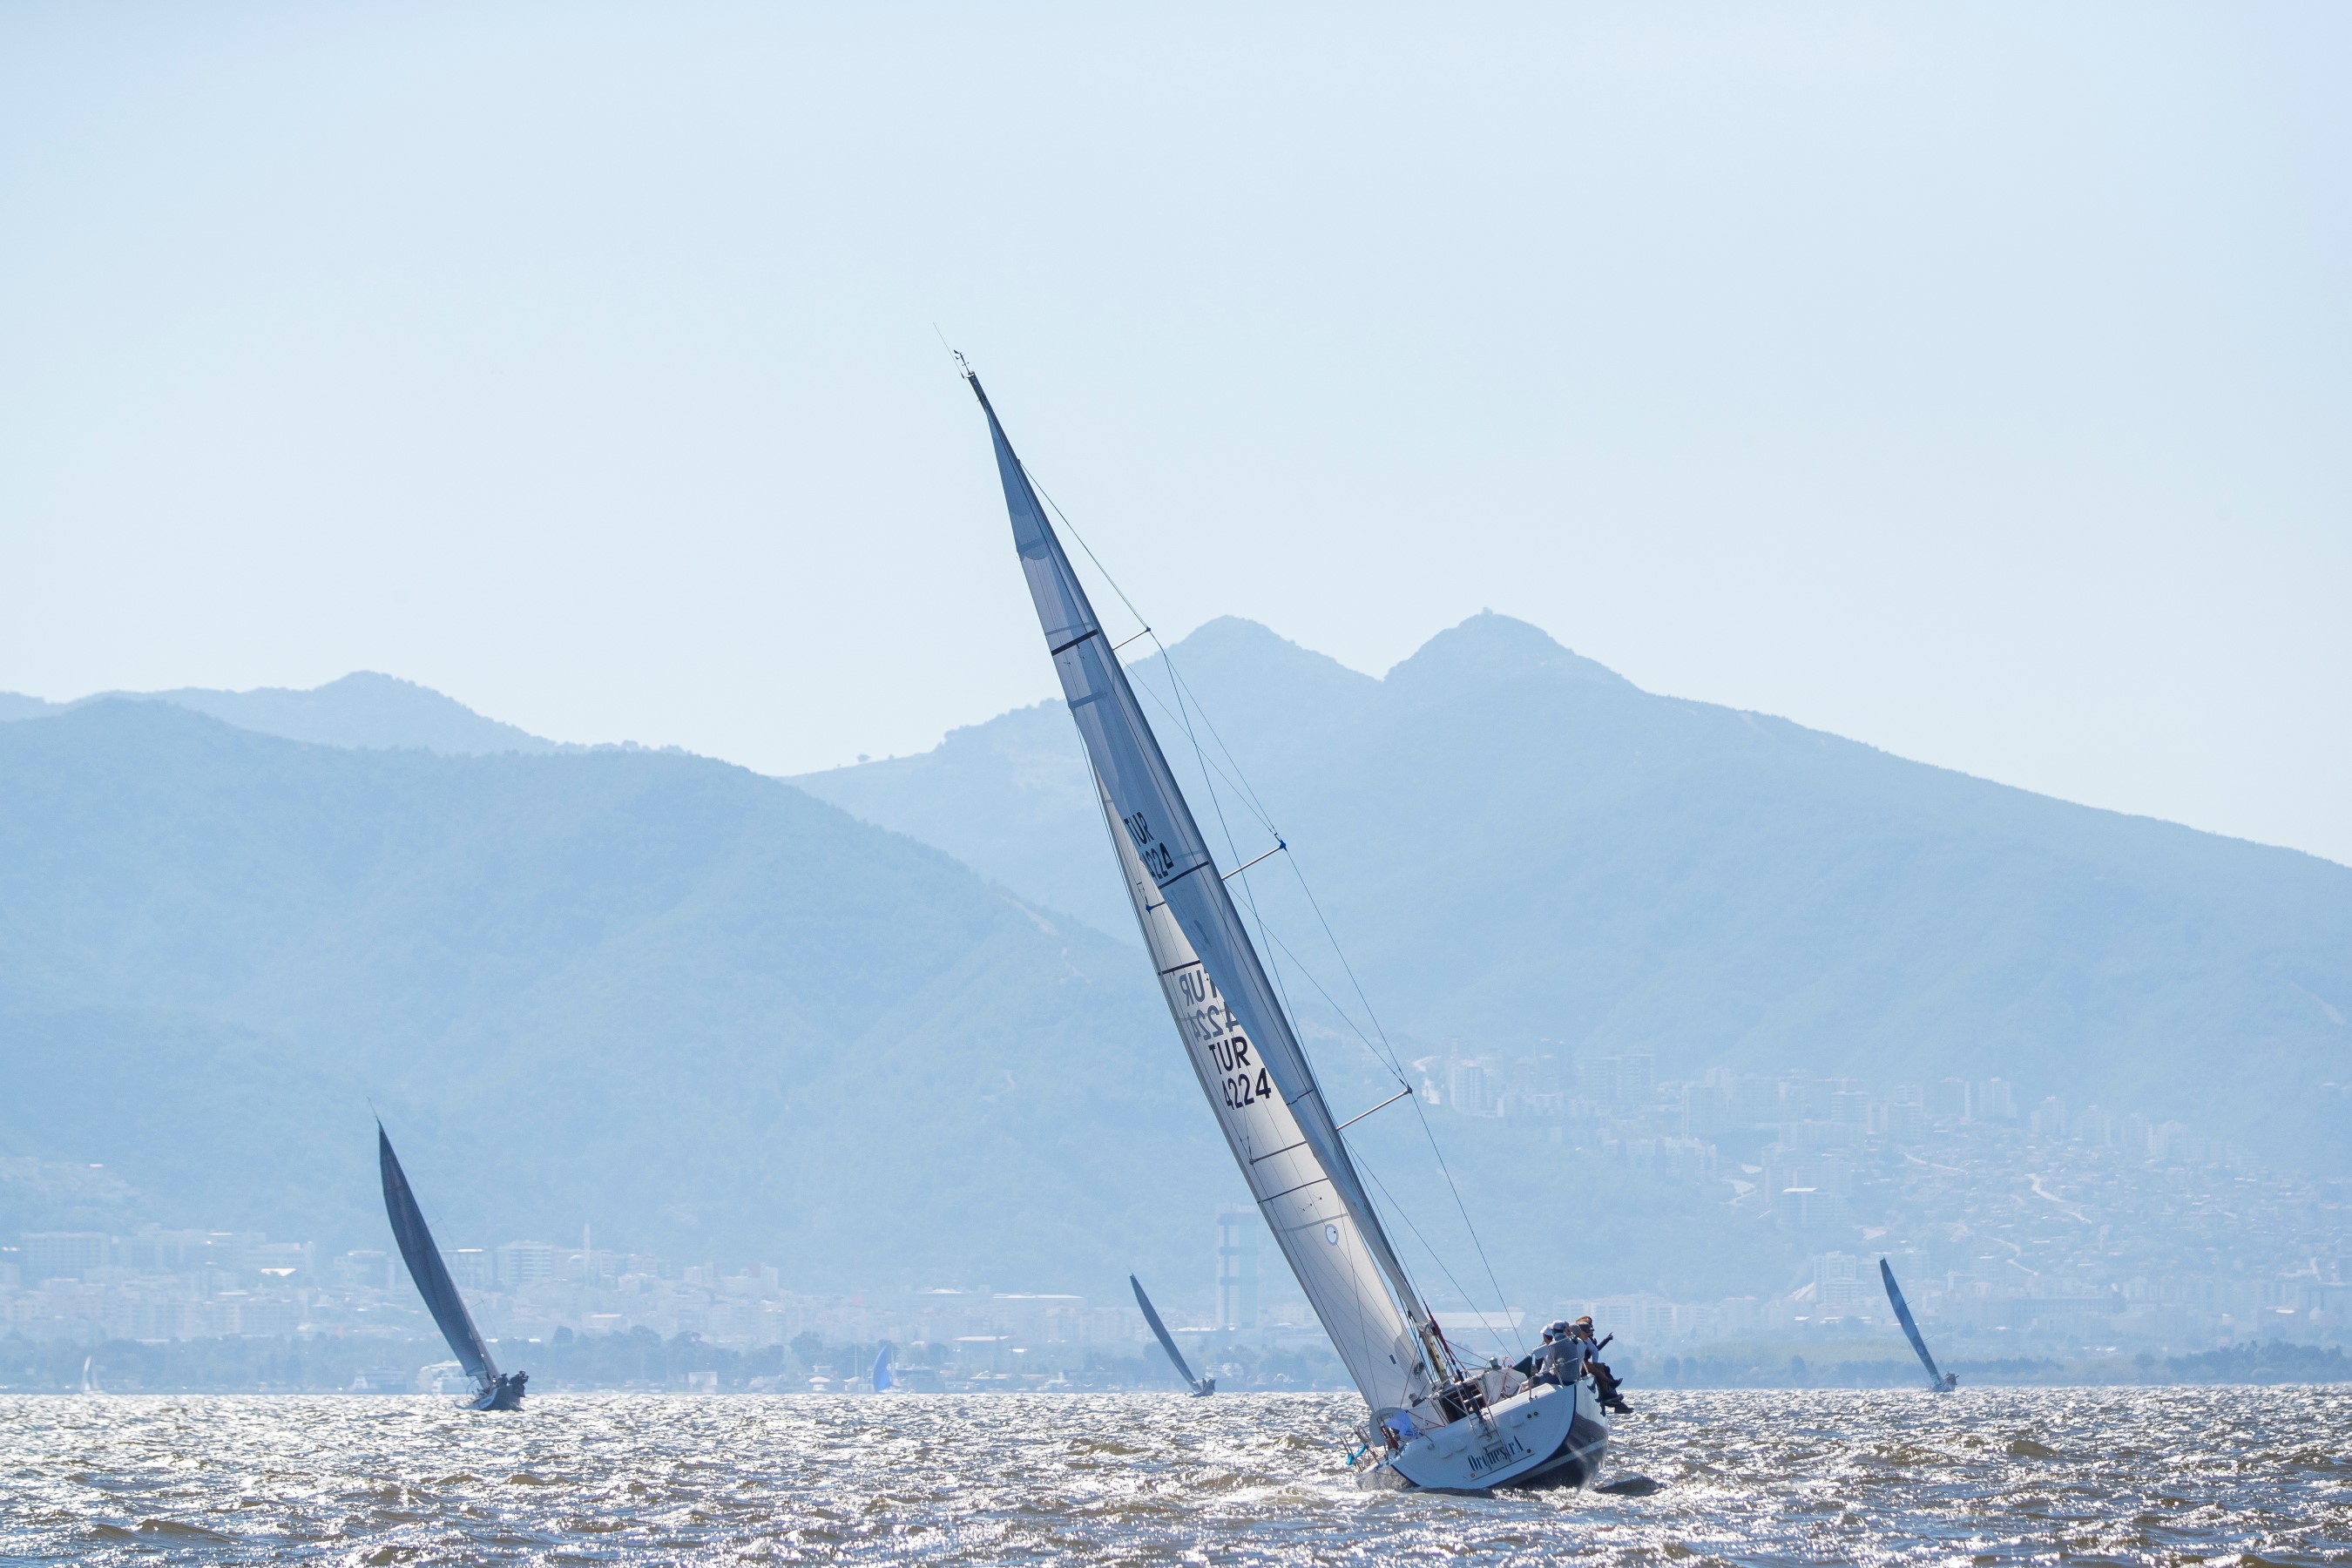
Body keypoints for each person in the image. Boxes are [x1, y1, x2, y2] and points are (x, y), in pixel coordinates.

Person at [1572, 1316, 1631, 1414]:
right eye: (1588, 1328)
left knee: (1604, 1368)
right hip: (1579, 1365)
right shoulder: (1575, 1340)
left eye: (1590, 1326)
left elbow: (1595, 1350)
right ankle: (1610, 1393)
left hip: (1584, 1364)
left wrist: (1606, 1341)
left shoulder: (1587, 1339)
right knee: (1599, 1368)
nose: (1590, 1330)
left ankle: (1613, 1397)